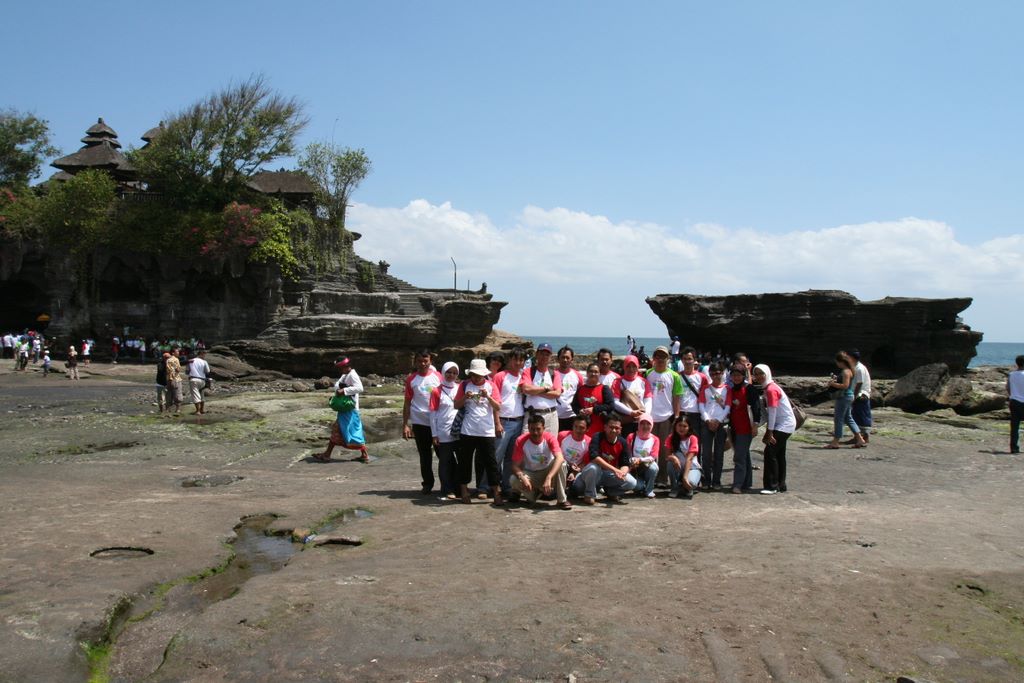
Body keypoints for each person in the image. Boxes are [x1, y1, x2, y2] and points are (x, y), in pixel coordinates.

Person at [454, 359, 504, 505]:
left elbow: (498, 407)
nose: (476, 378)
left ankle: (496, 492)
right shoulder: (464, 385)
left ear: (484, 374)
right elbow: (456, 405)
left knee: (491, 462)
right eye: (473, 375)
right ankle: (464, 491)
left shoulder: (491, 385)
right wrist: (465, 397)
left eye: (479, 375)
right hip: (468, 430)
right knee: (465, 461)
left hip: (486, 431)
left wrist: (487, 396)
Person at [509, 413, 572, 509]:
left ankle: (561, 500)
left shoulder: (550, 438)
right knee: (513, 479)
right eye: (532, 429)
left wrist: (549, 477)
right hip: (531, 474)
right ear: (528, 428)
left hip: (547, 471)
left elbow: (560, 458)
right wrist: (522, 477)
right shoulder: (520, 440)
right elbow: (515, 466)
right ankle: (534, 494)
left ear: (543, 428)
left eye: (538, 429)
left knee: (562, 464)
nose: (535, 432)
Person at [313, 356, 369, 462]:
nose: (339, 370)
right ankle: (327, 454)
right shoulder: (345, 375)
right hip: (345, 408)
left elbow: (360, 388)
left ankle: (328, 454)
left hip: (350, 409)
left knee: (352, 432)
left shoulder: (352, 375)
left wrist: (344, 391)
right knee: (340, 430)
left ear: (345, 366)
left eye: (340, 367)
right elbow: (337, 386)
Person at [402, 349, 443, 494]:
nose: (423, 364)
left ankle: (446, 483)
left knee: (442, 454)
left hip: (437, 422)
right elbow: (407, 402)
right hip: (419, 422)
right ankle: (427, 483)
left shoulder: (438, 377)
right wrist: (405, 424)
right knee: (425, 455)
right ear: (415, 362)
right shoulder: (411, 379)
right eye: (420, 361)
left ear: (430, 361)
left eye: (426, 361)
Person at [572, 413, 637, 505]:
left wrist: (622, 473)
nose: (614, 430)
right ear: (605, 427)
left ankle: (611, 492)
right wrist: (615, 470)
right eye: (611, 427)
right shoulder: (597, 436)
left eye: (617, 428)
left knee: (632, 482)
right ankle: (589, 495)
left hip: (608, 475)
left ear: (620, 429)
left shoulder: (622, 442)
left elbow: (625, 463)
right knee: (582, 482)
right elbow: (594, 457)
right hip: (593, 473)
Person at [753, 364, 797, 494]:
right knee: (779, 453)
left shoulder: (771, 389)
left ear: (767, 373)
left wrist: (769, 432)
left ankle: (771, 486)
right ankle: (781, 484)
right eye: (756, 374)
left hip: (784, 424)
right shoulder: (768, 388)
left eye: (761, 373)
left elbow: (772, 413)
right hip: (782, 424)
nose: (759, 376)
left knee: (770, 452)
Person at [491, 347, 527, 497]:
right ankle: (487, 487)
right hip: (504, 421)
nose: (518, 363)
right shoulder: (500, 376)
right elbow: (494, 400)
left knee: (511, 458)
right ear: (509, 360)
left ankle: (506, 487)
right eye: (515, 359)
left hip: (519, 421)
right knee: (496, 456)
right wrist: (497, 422)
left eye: (521, 360)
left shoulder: (524, 377)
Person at [645, 346, 683, 485]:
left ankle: (663, 478)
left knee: (664, 449)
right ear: (654, 358)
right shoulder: (648, 373)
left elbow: (677, 397)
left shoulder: (674, 375)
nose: (660, 359)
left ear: (668, 358)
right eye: (658, 356)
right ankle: (651, 478)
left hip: (667, 417)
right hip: (650, 417)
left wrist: (677, 416)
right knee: (649, 448)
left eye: (663, 356)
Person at [429, 361, 462, 500]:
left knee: (462, 461)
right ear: (443, 372)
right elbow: (432, 414)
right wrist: (434, 434)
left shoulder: (460, 388)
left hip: (459, 431)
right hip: (443, 431)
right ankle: (447, 489)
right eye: (449, 372)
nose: (451, 375)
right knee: (445, 462)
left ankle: (460, 488)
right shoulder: (436, 391)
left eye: (454, 373)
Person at [699, 362, 731, 489]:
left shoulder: (727, 389)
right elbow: (701, 405)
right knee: (706, 454)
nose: (715, 376)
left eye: (718, 373)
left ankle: (717, 481)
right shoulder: (705, 388)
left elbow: (728, 406)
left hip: (721, 423)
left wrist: (718, 420)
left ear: (723, 373)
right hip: (706, 423)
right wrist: (708, 420)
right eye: (712, 374)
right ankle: (706, 480)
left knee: (719, 454)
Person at [520, 342, 563, 436]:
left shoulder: (554, 374)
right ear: (536, 354)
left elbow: (557, 394)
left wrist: (534, 391)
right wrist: (546, 389)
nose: (544, 356)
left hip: (551, 416)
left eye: (547, 354)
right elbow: (526, 389)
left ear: (550, 357)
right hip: (532, 415)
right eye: (542, 354)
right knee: (526, 441)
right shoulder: (528, 371)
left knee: (550, 443)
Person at [825, 351, 865, 449]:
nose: (837, 364)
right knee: (848, 418)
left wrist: (832, 384)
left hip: (844, 397)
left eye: (837, 362)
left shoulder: (845, 371)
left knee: (838, 419)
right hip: (849, 396)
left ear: (841, 362)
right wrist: (837, 379)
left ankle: (835, 442)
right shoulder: (850, 370)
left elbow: (845, 385)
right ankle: (860, 439)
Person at [728, 365, 756, 493]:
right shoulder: (731, 389)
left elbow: (756, 408)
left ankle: (737, 484)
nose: (736, 378)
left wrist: (755, 425)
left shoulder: (750, 389)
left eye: (739, 375)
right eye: (734, 375)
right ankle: (746, 482)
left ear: (743, 376)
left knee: (739, 457)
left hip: (746, 428)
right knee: (745, 455)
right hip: (734, 428)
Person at [612, 355, 652, 437]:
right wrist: (631, 412)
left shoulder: (643, 381)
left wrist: (645, 415)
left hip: (641, 421)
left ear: (638, 367)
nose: (631, 369)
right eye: (628, 366)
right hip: (625, 421)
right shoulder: (617, 382)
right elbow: (615, 402)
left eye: (634, 366)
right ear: (624, 367)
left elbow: (648, 400)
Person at [572, 363, 615, 437]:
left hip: (600, 428)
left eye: (596, 372)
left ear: (599, 374)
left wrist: (594, 409)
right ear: (587, 373)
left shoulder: (604, 388)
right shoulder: (581, 389)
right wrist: (579, 411)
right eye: (591, 371)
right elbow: (574, 405)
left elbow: (610, 405)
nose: (593, 374)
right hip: (583, 429)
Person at [665, 416, 700, 499]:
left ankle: (687, 487)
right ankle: (674, 488)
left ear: (689, 428)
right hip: (678, 467)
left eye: (685, 426)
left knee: (691, 483)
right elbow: (667, 456)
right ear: (675, 426)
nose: (682, 428)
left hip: (692, 468)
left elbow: (689, 459)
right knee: (670, 463)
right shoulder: (671, 438)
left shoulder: (693, 438)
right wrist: (674, 458)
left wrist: (685, 477)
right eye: (680, 425)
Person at [626, 413, 659, 498]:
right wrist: (632, 460)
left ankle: (649, 490)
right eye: (642, 423)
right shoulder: (631, 436)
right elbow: (627, 453)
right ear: (638, 424)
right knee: (638, 486)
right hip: (634, 467)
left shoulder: (655, 439)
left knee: (654, 467)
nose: (645, 426)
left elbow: (653, 457)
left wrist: (640, 460)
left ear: (652, 425)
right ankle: (641, 486)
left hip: (647, 465)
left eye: (648, 424)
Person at [554, 346, 585, 432]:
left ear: (572, 359)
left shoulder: (577, 375)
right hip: (555, 416)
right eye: (563, 357)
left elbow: (582, 394)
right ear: (558, 359)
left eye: (567, 357)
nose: (565, 360)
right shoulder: (552, 374)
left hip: (572, 416)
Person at [558, 414, 591, 493]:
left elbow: (585, 462)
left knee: (579, 487)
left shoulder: (589, 442)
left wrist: (574, 472)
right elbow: (556, 454)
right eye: (575, 426)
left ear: (587, 429)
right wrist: (568, 465)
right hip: (561, 466)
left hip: (577, 468)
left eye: (581, 428)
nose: (578, 430)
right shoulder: (562, 435)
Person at [849, 349, 873, 444]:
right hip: (859, 394)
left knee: (861, 416)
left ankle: (863, 436)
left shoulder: (859, 368)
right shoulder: (856, 367)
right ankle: (860, 436)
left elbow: (859, 383)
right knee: (856, 415)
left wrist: (854, 396)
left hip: (861, 395)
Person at [1008, 355, 1024, 454]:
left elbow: (1008, 387)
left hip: (1014, 401)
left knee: (1014, 427)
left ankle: (1014, 447)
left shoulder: (1011, 374)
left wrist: (1012, 396)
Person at [188, 349, 211, 415]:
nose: (204, 356)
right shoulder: (204, 362)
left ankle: (198, 411)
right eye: (204, 355)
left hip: (193, 379)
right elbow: (207, 371)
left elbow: (187, 371)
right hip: (202, 379)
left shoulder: (191, 361)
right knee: (202, 394)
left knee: (195, 395)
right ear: (201, 354)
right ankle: (202, 410)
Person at [165, 347, 184, 416]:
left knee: (169, 394)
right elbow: (178, 370)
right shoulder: (176, 359)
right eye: (177, 351)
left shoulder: (168, 360)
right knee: (178, 394)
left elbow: (168, 370)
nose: (178, 352)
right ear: (173, 353)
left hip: (168, 379)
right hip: (176, 379)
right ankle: (177, 409)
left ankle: (168, 409)